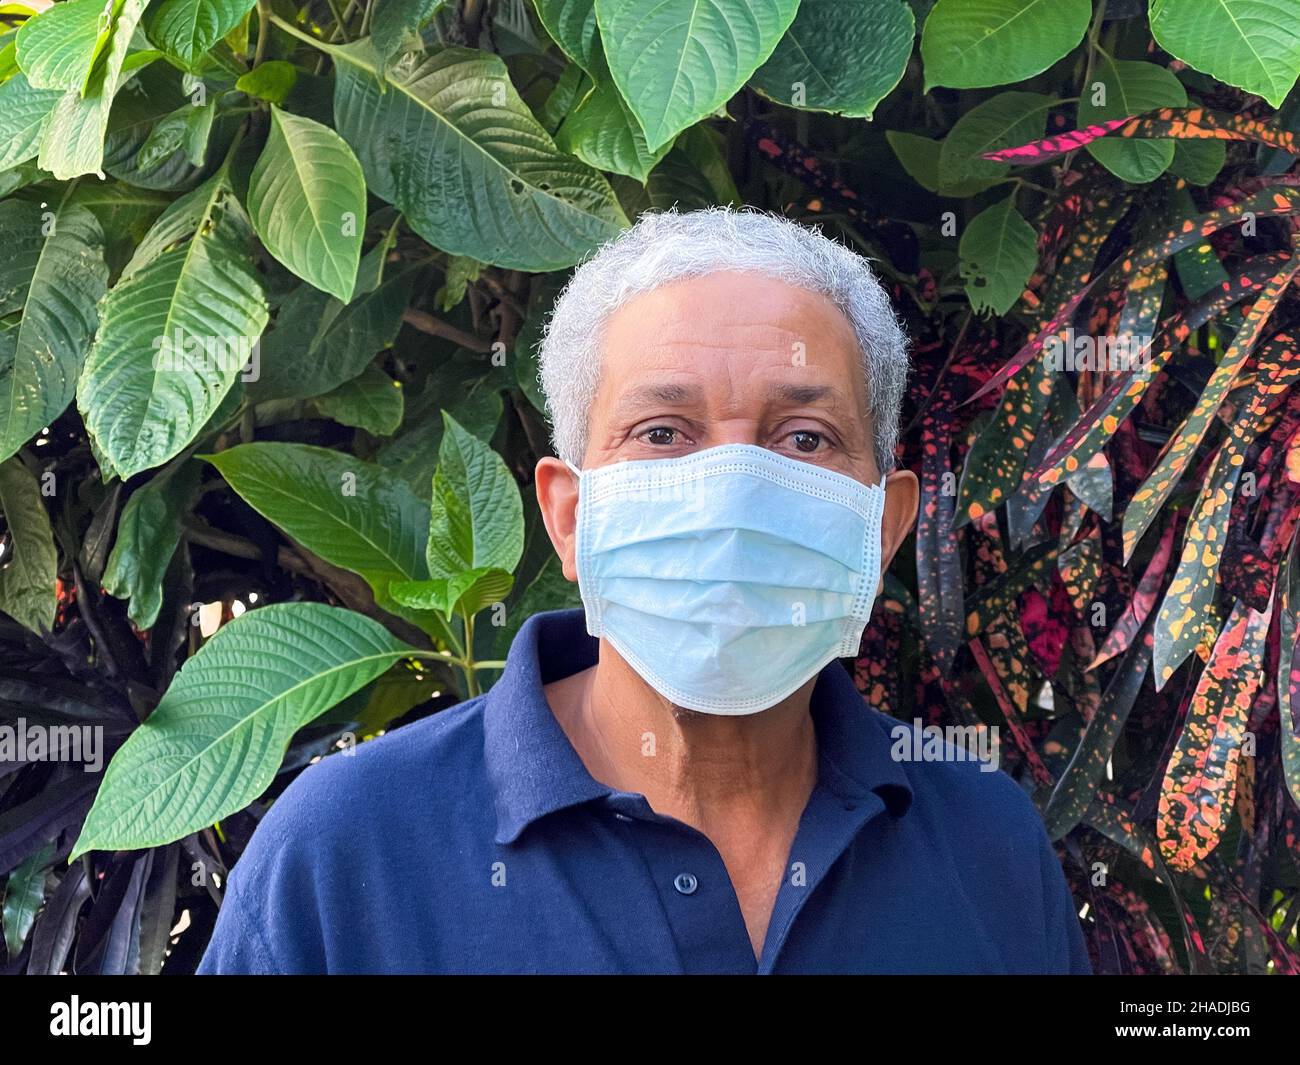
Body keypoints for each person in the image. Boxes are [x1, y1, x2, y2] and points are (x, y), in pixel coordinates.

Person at [198, 207, 1092, 974]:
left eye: (806, 437)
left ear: (885, 523)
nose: (734, 488)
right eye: (663, 431)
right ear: (569, 516)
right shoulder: (348, 852)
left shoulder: (987, 842)